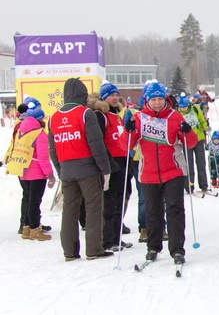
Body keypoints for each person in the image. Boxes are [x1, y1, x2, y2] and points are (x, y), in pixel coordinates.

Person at [121, 80, 197, 264]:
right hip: (148, 172)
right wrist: (128, 130)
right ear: (147, 100)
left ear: (165, 99)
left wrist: (187, 132)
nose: (157, 103)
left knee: (174, 209)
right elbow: (126, 145)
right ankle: (153, 247)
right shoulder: (139, 118)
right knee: (153, 212)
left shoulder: (174, 116)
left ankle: (177, 249)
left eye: (160, 99)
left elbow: (191, 143)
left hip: (173, 170)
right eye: (153, 99)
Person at [50, 78, 114, 261]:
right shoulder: (86, 113)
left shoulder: (53, 118)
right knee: (93, 208)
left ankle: (69, 251)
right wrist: (105, 170)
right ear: (82, 94)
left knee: (69, 211)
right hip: (88, 169)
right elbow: (96, 145)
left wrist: (60, 170)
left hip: (67, 171)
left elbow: (52, 149)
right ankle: (94, 249)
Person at [7, 102, 54, 241]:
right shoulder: (40, 135)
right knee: (35, 201)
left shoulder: (21, 132)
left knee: (28, 200)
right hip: (37, 173)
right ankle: (35, 230)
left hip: (23, 171)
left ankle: (26, 229)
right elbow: (43, 158)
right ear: (39, 119)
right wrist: (50, 175)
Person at [96, 81, 132, 251]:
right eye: (111, 95)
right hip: (111, 162)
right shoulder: (100, 115)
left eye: (117, 95)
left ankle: (116, 237)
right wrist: (106, 163)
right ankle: (107, 239)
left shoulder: (117, 115)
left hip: (122, 160)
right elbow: (99, 141)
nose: (115, 98)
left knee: (120, 200)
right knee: (110, 202)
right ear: (104, 97)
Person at [176, 93, 210, 194]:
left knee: (201, 163)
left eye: (185, 106)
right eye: (181, 107)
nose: (183, 109)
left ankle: (203, 185)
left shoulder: (195, 109)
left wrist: (205, 127)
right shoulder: (177, 114)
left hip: (198, 138)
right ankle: (189, 185)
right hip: (186, 141)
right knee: (188, 164)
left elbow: (201, 120)